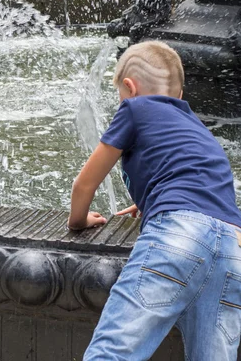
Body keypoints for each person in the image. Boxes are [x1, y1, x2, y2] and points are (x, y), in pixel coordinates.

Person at [68, 40, 241, 360]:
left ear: (130, 88)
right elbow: (197, 185)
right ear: (178, 97)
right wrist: (150, 199)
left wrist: (78, 221)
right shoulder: (200, 131)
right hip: (232, 249)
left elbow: (84, 185)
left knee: (113, 351)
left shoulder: (135, 108)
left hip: (177, 236)